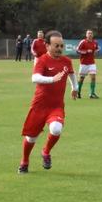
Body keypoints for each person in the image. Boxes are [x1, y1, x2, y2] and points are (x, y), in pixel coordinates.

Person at [18, 30, 78, 174]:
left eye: (61, 46)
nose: (59, 49)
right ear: (47, 45)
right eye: (56, 46)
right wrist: (52, 79)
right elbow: (35, 78)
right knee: (31, 138)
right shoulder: (42, 60)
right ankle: (24, 161)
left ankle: (46, 151)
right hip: (39, 106)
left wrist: (74, 87)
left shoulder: (66, 61)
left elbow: (71, 74)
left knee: (56, 129)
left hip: (56, 106)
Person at [76, 29, 100, 99]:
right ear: (86, 35)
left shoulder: (95, 42)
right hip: (83, 63)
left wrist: (97, 51)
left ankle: (92, 93)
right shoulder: (83, 42)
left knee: (93, 78)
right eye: (88, 33)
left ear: (93, 35)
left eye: (91, 33)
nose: (90, 34)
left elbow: (97, 49)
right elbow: (77, 50)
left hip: (92, 63)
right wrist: (86, 51)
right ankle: (78, 92)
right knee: (81, 78)